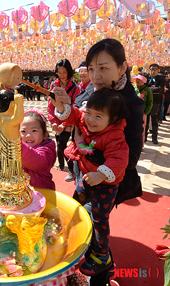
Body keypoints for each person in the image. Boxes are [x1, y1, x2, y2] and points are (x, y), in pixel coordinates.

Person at [51, 38, 144, 286]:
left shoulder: (131, 103)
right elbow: (78, 118)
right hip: (83, 171)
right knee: (79, 214)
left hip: (107, 177)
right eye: (91, 68)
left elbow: (131, 154)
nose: (95, 75)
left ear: (122, 67)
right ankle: (89, 264)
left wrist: (88, 151)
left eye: (103, 68)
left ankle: (100, 271)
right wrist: (63, 107)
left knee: (96, 222)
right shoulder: (89, 91)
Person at [51, 87, 129, 276]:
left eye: (98, 116)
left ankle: (101, 256)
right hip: (86, 178)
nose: (90, 120)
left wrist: (101, 175)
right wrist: (62, 106)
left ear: (112, 120)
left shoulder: (114, 136)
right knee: (76, 206)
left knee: (99, 220)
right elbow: (77, 114)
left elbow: (119, 159)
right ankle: (76, 237)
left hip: (104, 185)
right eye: (90, 113)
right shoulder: (87, 120)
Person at [0, 108, 56, 190]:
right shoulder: (17, 146)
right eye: (23, 131)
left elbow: (36, 161)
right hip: (18, 191)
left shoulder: (47, 149)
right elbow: (3, 157)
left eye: (34, 130)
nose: (28, 135)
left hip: (42, 192)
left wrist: (15, 141)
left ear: (45, 134)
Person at [47, 58, 81, 182]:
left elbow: (75, 107)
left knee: (62, 143)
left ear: (69, 72)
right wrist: (53, 121)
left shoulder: (75, 87)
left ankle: (71, 170)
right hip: (56, 119)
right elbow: (50, 105)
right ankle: (61, 167)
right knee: (58, 145)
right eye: (59, 72)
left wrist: (64, 123)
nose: (61, 75)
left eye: (64, 72)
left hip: (69, 120)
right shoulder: (53, 85)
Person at [146, 64, 166, 144]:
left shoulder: (161, 79)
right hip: (146, 102)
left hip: (156, 102)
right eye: (151, 69)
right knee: (145, 121)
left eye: (155, 69)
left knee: (155, 120)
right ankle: (144, 138)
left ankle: (154, 138)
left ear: (158, 70)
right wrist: (152, 90)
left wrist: (148, 90)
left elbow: (159, 89)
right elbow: (143, 87)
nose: (153, 71)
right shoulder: (146, 78)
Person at [133, 72, 153, 145]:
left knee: (141, 129)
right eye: (137, 79)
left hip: (142, 113)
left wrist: (146, 112)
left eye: (139, 79)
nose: (137, 80)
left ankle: (140, 144)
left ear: (144, 81)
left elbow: (150, 102)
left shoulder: (148, 90)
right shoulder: (133, 88)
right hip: (133, 113)